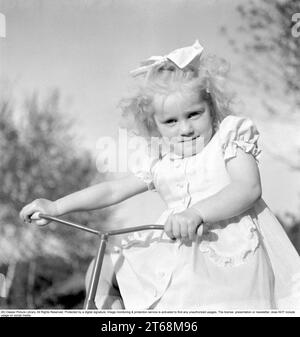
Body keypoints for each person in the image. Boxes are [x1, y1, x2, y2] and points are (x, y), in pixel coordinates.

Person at [20, 41, 300, 310]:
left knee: (211, 300)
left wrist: (196, 213)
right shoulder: (161, 161)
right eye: (171, 121)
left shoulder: (228, 138)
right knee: (105, 261)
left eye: (194, 114)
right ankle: (109, 310)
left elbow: (247, 188)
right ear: (154, 127)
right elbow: (112, 191)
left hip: (228, 250)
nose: (185, 128)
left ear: (212, 109)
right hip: (177, 246)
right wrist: (56, 206)